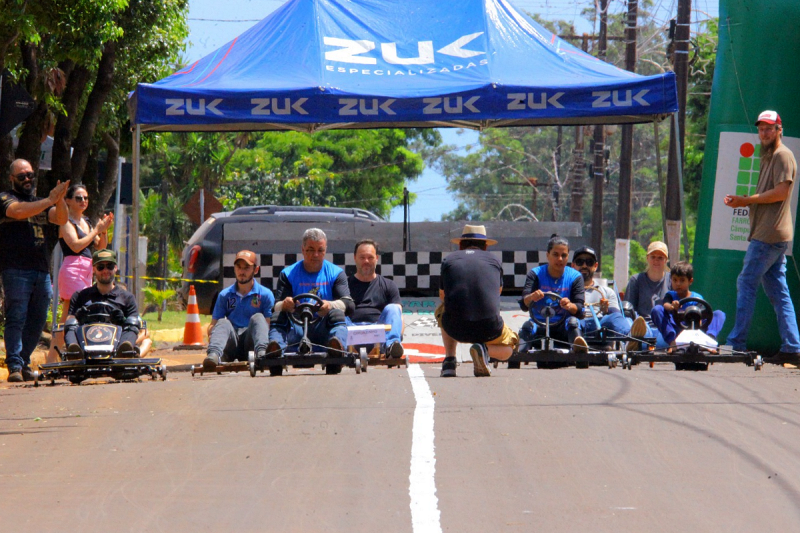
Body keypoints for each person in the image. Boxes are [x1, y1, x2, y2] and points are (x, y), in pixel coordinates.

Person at [724, 110, 800, 362]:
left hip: (769, 234)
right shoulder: (768, 155)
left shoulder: (783, 155)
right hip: (769, 233)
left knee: (746, 282)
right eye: (761, 129)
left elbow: (779, 193)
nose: (764, 133)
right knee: (778, 291)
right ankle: (792, 346)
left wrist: (745, 200)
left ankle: (737, 342)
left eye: (769, 128)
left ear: (780, 129)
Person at [1, 159, 69, 382]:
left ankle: (24, 360)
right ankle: (14, 365)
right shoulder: (5, 198)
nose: (28, 179)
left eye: (30, 174)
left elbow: (61, 219)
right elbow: (18, 212)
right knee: (16, 317)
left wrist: (58, 200)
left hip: (41, 270)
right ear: (12, 178)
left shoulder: (40, 202)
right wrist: (49, 200)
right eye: (22, 176)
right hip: (15, 270)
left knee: (38, 319)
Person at [267, 228, 353, 374]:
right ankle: (276, 352)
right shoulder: (287, 274)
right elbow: (275, 307)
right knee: (278, 316)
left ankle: (336, 350)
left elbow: (349, 305)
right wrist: (285, 304)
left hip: (323, 326)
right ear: (303, 249)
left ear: (325, 250)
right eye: (310, 250)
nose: (316, 255)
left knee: (338, 314)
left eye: (320, 250)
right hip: (297, 327)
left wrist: (330, 305)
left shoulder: (336, 273)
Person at [437, 224, 518, 377]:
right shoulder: (494, 260)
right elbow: (497, 293)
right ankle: (484, 351)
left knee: (443, 309)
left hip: (455, 327)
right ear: (485, 246)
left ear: (460, 245)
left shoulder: (448, 260)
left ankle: (449, 360)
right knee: (509, 347)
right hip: (489, 328)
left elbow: (443, 295)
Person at [202, 250, 275, 370]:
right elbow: (212, 325)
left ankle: (263, 354)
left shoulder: (265, 295)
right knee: (223, 322)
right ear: (234, 269)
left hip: (252, 342)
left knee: (258, 317)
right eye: (239, 267)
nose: (242, 271)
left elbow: (268, 325)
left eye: (246, 268)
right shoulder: (225, 295)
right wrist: (212, 333)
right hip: (232, 343)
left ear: (255, 270)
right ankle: (213, 356)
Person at [518, 235, 588, 356]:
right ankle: (518, 351)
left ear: (568, 257)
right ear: (547, 255)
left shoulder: (575, 277)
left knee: (573, 322)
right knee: (528, 326)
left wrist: (570, 305)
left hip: (564, 327)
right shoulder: (535, 274)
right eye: (555, 254)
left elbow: (580, 309)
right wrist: (531, 297)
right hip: (539, 324)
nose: (560, 259)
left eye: (564, 255)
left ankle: (579, 349)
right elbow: (524, 305)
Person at [64, 249, 140, 358]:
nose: (105, 271)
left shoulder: (127, 297)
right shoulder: (80, 296)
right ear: (94, 269)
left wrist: (122, 320)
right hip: (86, 340)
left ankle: (124, 350)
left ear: (115, 268)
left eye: (109, 266)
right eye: (101, 267)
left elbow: (135, 323)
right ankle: (74, 350)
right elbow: (69, 321)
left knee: (132, 323)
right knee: (70, 323)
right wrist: (78, 317)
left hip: (116, 341)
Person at [571, 246, 647, 350]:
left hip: (600, 324)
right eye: (580, 262)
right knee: (571, 321)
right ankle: (579, 345)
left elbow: (616, 315)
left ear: (595, 266)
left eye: (589, 262)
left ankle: (630, 339)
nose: (584, 265)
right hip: (577, 324)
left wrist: (606, 310)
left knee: (615, 317)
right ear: (573, 265)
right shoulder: (567, 289)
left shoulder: (607, 292)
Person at [57, 184, 113, 321]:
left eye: (86, 198)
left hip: (87, 269)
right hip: (72, 268)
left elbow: (101, 249)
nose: (83, 201)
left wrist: (104, 230)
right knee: (71, 308)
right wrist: (96, 230)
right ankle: (58, 341)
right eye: (79, 198)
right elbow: (75, 246)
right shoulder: (65, 221)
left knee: (80, 309)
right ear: (68, 200)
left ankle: (69, 341)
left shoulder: (86, 222)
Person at [346, 239, 404, 357]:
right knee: (336, 310)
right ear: (355, 258)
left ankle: (392, 345)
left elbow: (398, 316)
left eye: (370, 257)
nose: (366, 261)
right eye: (362, 257)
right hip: (351, 331)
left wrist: (398, 334)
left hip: (379, 334)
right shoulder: (344, 285)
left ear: (377, 258)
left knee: (394, 308)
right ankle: (338, 345)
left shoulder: (389, 285)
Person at [649, 261, 726, 351]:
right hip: (677, 328)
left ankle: (708, 341)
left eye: (682, 280)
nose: (678, 284)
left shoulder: (697, 298)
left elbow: (702, 314)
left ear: (690, 281)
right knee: (657, 310)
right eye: (675, 280)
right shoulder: (670, 295)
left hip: (696, 329)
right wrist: (672, 307)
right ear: (671, 280)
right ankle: (672, 343)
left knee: (719, 314)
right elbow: (666, 304)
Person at [623, 241, 671, 320]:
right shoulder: (636, 280)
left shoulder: (672, 280)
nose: (656, 261)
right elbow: (628, 310)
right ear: (647, 258)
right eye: (653, 257)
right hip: (641, 327)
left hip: (665, 325)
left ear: (666, 260)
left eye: (660, 258)